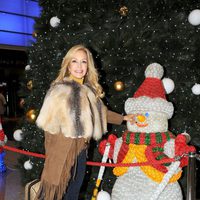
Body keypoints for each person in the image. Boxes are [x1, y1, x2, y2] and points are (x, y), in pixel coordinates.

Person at [35, 44, 135, 200]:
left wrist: (123, 118)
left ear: (88, 66)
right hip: (62, 153)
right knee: (53, 193)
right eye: (74, 61)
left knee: (73, 193)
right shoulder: (58, 91)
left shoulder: (88, 90)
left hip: (81, 151)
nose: (79, 66)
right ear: (68, 65)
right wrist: (53, 158)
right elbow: (48, 130)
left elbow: (102, 112)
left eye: (84, 61)